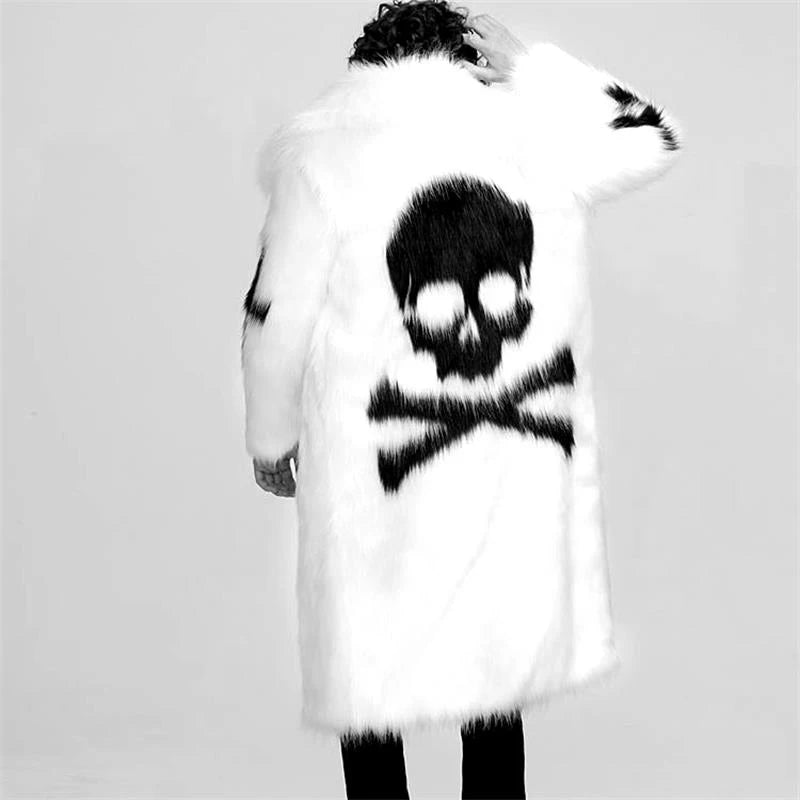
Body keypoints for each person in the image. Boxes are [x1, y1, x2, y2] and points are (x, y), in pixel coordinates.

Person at [240, 2, 683, 797]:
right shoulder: (535, 136)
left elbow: (277, 315)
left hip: (372, 473)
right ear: (470, 62)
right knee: (494, 675)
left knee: (368, 678)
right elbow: (653, 138)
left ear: (366, 63)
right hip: (510, 472)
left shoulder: (322, 150)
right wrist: (538, 69)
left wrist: (271, 440)